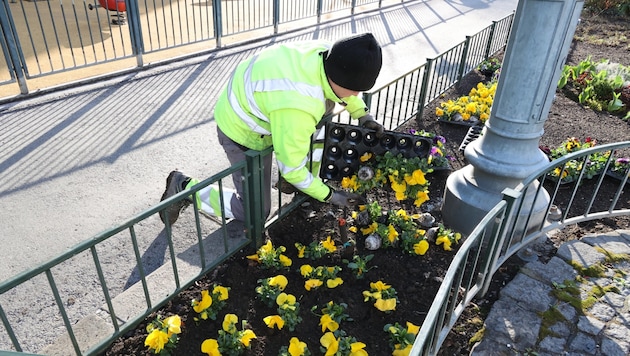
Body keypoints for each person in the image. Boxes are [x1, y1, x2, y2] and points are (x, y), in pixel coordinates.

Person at [160, 33, 384, 226]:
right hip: (242, 130)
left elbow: (342, 85)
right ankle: (184, 187)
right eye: (354, 91)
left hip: (264, 104)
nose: (355, 96)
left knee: (325, 110)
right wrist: (331, 195)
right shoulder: (299, 105)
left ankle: (302, 176)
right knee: (254, 213)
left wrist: (363, 115)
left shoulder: (329, 54)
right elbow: (292, 169)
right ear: (337, 75)